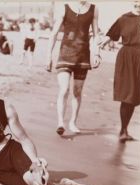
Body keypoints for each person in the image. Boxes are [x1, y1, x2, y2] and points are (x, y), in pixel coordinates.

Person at [46, 1, 101, 135]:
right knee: (64, 89)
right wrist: (48, 56)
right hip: (65, 54)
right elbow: (53, 33)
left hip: (83, 56)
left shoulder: (94, 9)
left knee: (77, 91)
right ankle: (60, 122)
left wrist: (97, 53)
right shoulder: (64, 8)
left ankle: (73, 122)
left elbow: (96, 34)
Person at [98, 1, 140, 142]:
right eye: (135, 1)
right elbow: (111, 35)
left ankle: (125, 129)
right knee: (128, 95)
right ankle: (123, 130)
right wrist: (98, 47)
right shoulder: (124, 18)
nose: (138, 3)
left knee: (136, 96)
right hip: (127, 58)